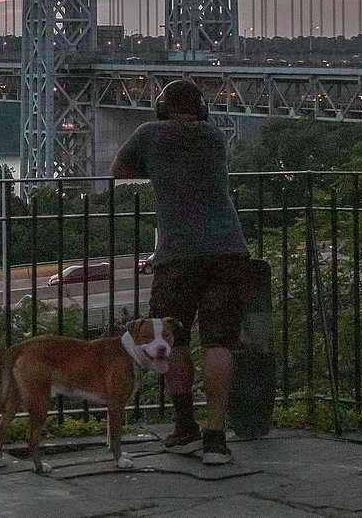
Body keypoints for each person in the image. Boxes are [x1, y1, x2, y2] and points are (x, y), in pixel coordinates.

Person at [111, 78, 251, 465]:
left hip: (178, 254)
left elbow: (119, 169)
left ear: (160, 109)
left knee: (173, 342)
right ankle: (216, 438)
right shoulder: (214, 136)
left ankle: (185, 428)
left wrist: (155, 165)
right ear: (202, 110)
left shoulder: (148, 134)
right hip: (228, 249)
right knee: (219, 343)